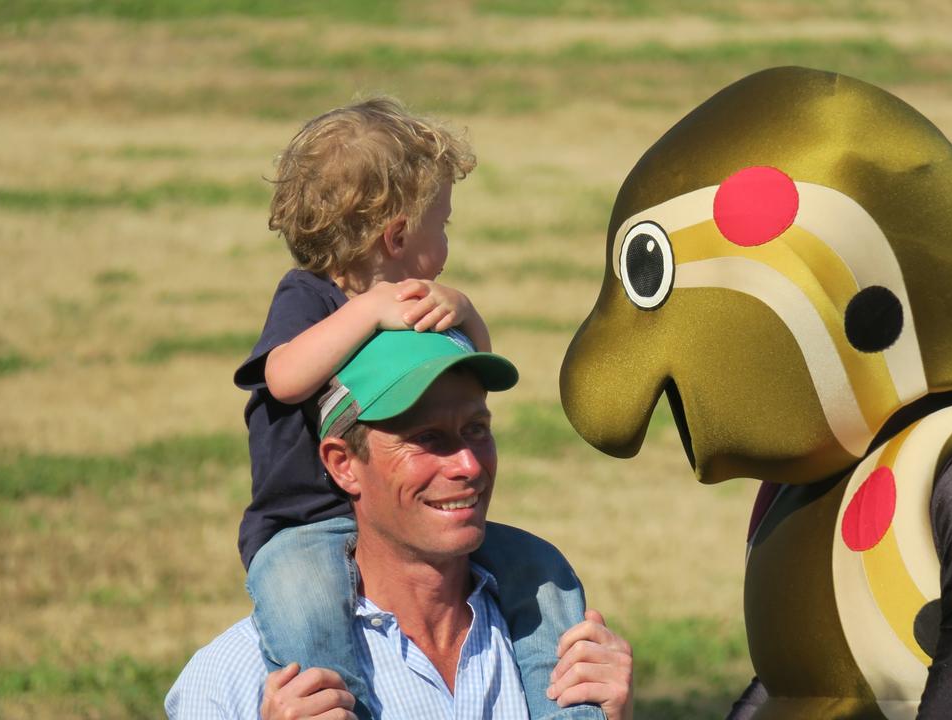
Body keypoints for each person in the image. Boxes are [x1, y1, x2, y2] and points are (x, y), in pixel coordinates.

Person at [231, 97, 601, 719]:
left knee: (539, 568)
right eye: (445, 223)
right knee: (306, 612)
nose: (448, 239)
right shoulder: (310, 297)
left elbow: (477, 370)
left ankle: (566, 710)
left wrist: (466, 310)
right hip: (305, 527)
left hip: (398, 522)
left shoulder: (420, 303)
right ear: (399, 235)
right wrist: (367, 312)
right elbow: (284, 376)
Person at [168, 330, 634, 719]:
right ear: (343, 464)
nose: (469, 464)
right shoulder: (236, 680)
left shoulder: (551, 644)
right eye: (426, 439)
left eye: (476, 429)